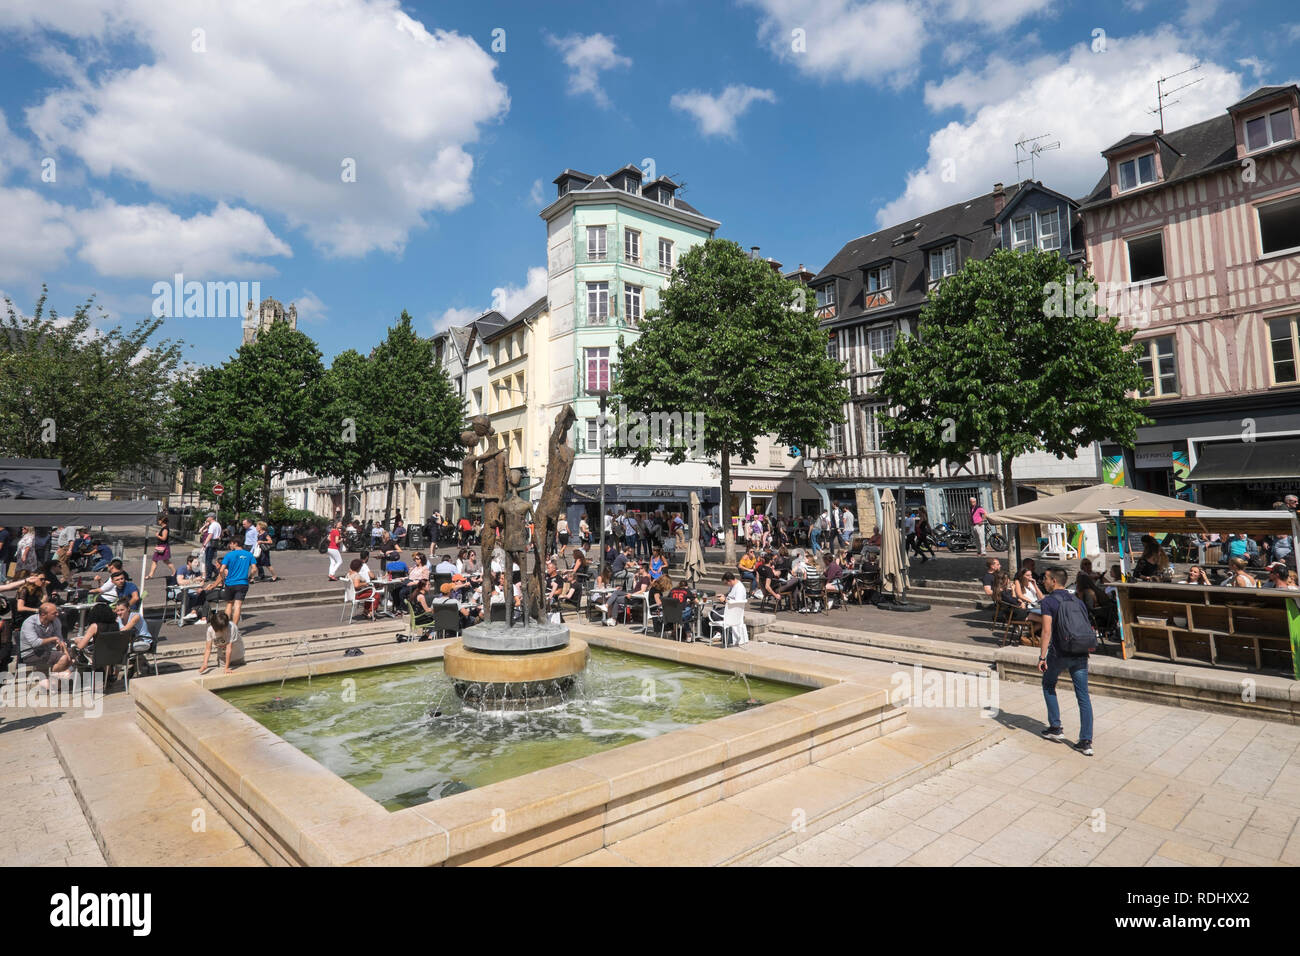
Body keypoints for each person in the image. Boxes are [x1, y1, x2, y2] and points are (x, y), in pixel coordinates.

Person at [1038, 567, 1096, 756]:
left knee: (1048, 684)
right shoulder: (1076, 599)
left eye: (1046, 578)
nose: (1043, 581)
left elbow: (1046, 631)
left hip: (1060, 653)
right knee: (1083, 696)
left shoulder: (1048, 602)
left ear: (1054, 581)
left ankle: (1055, 727)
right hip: (1080, 652)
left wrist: (1041, 656)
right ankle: (1086, 741)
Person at [18, 602, 73, 681]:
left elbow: (59, 638)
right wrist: (53, 639)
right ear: (43, 614)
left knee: (75, 652)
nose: (57, 614)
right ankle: (51, 678)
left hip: (48, 650)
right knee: (63, 658)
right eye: (54, 613)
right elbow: (35, 643)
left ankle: (56, 678)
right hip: (31, 653)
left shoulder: (55, 621)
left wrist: (64, 649)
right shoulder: (30, 623)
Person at [215, 538, 256, 625]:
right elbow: (254, 569)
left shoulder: (229, 555)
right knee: (238, 605)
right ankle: (235, 628)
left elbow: (222, 570)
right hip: (242, 583)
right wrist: (250, 577)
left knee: (229, 604)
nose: (230, 545)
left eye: (231, 543)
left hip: (230, 583)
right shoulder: (249, 554)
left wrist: (223, 579)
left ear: (236, 543)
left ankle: (225, 626)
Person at [199, 609, 244, 675]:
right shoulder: (210, 630)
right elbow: (208, 649)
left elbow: (229, 649)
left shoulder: (232, 628)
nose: (222, 632)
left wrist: (226, 667)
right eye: (220, 630)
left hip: (237, 656)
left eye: (223, 629)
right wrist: (205, 663)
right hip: (222, 658)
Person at [144, 515, 174, 580]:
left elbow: (164, 538)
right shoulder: (164, 528)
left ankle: (174, 572)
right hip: (160, 546)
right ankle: (150, 575)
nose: (158, 521)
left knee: (166, 561)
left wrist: (157, 536)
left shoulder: (165, 529)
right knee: (155, 560)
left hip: (163, 547)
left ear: (162, 521)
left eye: (159, 520)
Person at [200, 513, 222, 581]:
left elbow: (210, 535)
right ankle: (216, 572)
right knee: (208, 560)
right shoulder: (218, 524)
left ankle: (209, 575)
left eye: (207, 517)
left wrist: (204, 544)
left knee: (208, 561)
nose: (206, 518)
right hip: (215, 543)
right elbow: (220, 534)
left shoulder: (212, 525)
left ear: (211, 517)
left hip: (211, 544)